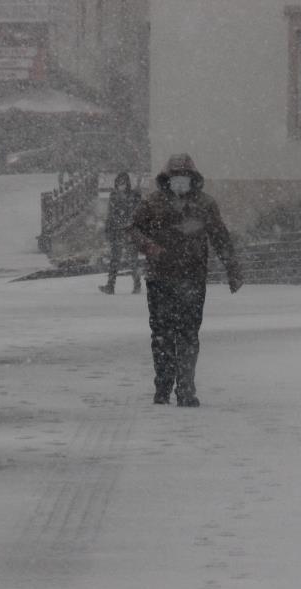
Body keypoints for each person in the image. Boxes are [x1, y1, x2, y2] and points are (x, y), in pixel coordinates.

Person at [129, 153, 243, 407]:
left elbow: (220, 236)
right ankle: (163, 386)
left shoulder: (205, 204)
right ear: (167, 179)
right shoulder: (152, 203)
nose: (180, 182)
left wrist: (231, 267)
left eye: (184, 177)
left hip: (192, 278)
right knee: (161, 334)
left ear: (193, 179)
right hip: (161, 278)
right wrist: (149, 247)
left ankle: (185, 387)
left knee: (189, 334)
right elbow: (134, 229)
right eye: (175, 177)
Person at [99, 172, 142, 294]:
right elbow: (110, 214)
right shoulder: (114, 196)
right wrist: (108, 228)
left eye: (123, 183)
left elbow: (138, 214)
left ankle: (137, 284)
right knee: (114, 259)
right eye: (118, 183)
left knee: (132, 259)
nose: (120, 185)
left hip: (129, 231)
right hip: (116, 231)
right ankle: (110, 286)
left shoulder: (134, 196)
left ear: (127, 183)